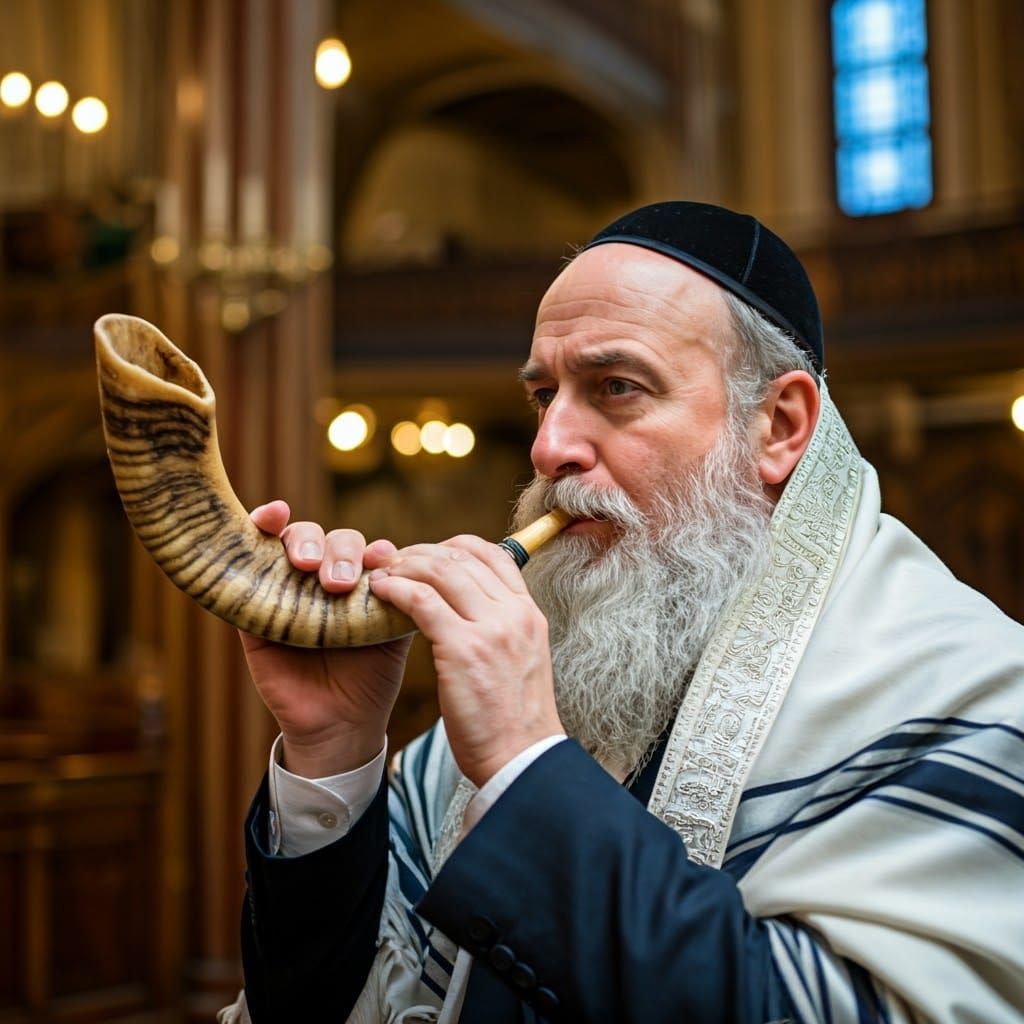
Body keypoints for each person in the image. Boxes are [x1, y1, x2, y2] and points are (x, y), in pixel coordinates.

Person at [220, 202, 1024, 1023]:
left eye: (616, 388)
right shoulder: (538, 681)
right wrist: (335, 752)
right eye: (544, 395)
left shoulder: (969, 696)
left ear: (778, 426)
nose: (548, 446)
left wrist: (526, 764)